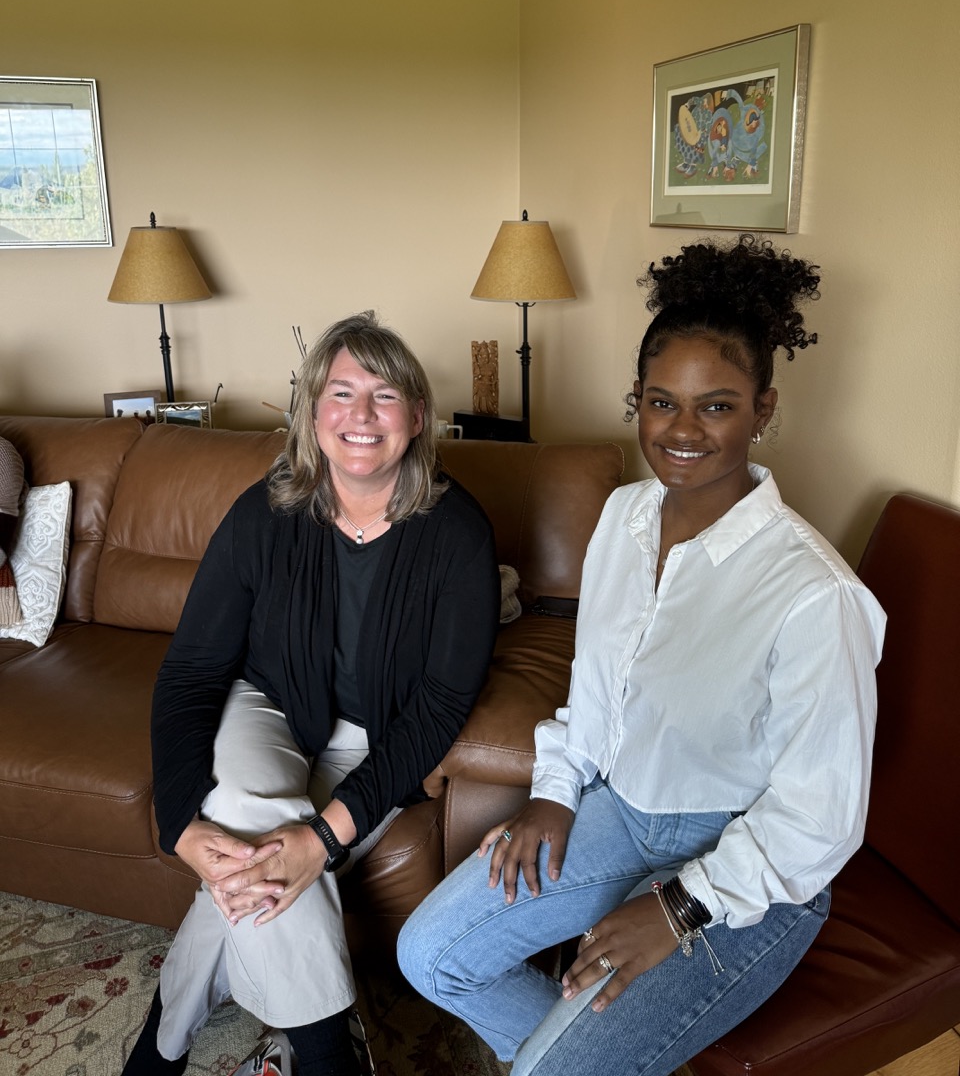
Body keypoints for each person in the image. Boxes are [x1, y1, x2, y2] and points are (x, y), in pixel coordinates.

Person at [397, 235, 886, 1076]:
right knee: (430, 954)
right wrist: (553, 796)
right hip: (620, 815)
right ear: (636, 401)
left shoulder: (816, 596)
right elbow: (597, 685)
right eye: (662, 403)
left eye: (718, 406)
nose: (683, 431)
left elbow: (820, 819)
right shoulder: (622, 517)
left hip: (752, 874)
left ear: (764, 409)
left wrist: (680, 910)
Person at [123, 310, 500, 1076]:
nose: (361, 416)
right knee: (246, 811)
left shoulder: (457, 532)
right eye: (341, 393)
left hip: (379, 734)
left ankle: (158, 1056)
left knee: (249, 842)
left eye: (385, 395)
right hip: (267, 706)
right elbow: (193, 669)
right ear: (311, 413)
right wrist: (179, 827)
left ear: (417, 416)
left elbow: (436, 708)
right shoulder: (264, 513)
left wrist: (321, 839)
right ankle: (331, 1053)